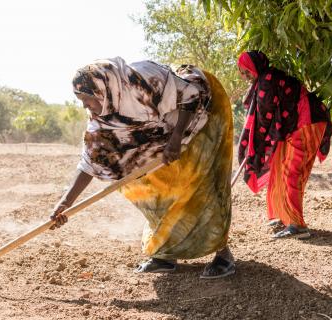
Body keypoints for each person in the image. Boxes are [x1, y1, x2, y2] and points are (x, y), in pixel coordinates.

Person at [50, 57, 235, 279]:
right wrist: (65, 202)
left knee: (199, 180)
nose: (85, 106)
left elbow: (190, 95)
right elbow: (90, 160)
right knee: (149, 186)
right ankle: (164, 255)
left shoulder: (143, 80)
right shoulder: (100, 117)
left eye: (87, 100)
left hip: (201, 110)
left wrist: (176, 140)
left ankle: (222, 254)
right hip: (160, 134)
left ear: (102, 91)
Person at [237, 51, 332, 239]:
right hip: (296, 125)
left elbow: (264, 120)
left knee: (292, 171)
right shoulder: (267, 78)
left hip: (306, 122)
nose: (245, 75)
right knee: (279, 169)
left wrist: (254, 150)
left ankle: (297, 225)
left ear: (255, 66)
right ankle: (283, 215)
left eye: (246, 71)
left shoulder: (267, 80)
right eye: (242, 72)